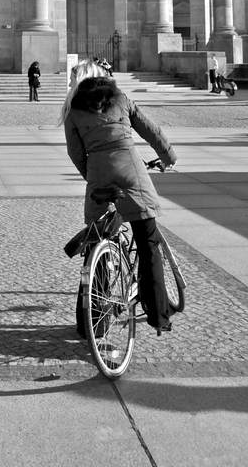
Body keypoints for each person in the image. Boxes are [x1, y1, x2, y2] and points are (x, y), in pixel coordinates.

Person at [61, 58, 178, 336]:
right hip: (131, 172)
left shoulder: (72, 111)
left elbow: (76, 154)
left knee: (96, 246)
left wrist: (93, 177)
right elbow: (151, 130)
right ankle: (158, 316)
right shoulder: (121, 99)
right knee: (148, 243)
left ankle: (93, 325)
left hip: (99, 178)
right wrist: (168, 157)